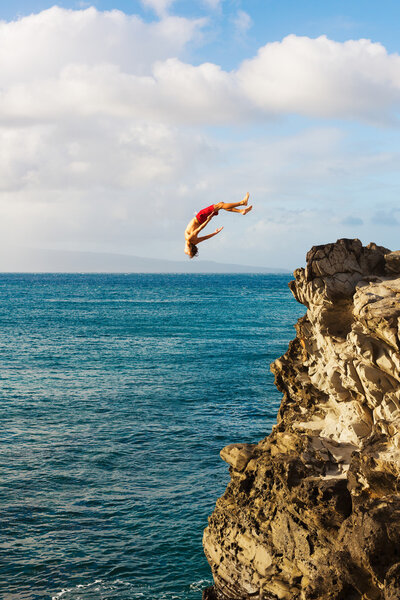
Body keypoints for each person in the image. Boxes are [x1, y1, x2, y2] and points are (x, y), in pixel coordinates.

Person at [184, 193, 252, 258]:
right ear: (190, 248)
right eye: (188, 252)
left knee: (221, 205)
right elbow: (200, 229)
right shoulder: (189, 239)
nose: (186, 252)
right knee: (220, 205)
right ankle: (242, 202)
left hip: (201, 220)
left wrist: (215, 233)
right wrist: (208, 219)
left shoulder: (194, 242)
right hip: (200, 218)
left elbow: (205, 238)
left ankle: (241, 211)